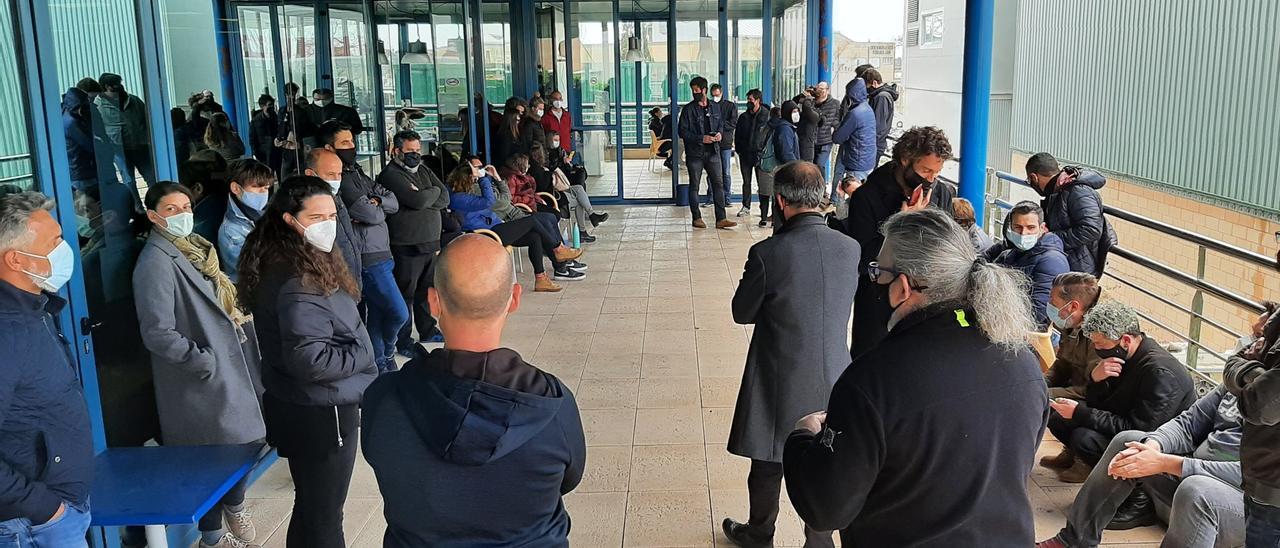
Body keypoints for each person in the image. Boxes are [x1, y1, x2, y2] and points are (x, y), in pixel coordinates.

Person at [782, 208, 1048, 546]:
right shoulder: (1024, 363)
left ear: (903, 287)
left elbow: (825, 509)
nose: (876, 283)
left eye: (879, 273)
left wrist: (802, 439)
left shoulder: (872, 382)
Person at [361, 234, 586, 547]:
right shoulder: (551, 403)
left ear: (434, 301)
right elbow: (568, 479)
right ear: (515, 299)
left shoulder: (382, 398)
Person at [721, 161, 857, 548]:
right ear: (822, 197)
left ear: (780, 201)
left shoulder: (768, 252)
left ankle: (760, 533)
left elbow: (741, 312)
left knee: (768, 458)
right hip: (836, 371)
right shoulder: (850, 249)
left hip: (778, 371)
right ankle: (819, 540)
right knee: (827, 458)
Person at [236, 176, 377, 548]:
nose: (327, 224)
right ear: (289, 220)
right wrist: (364, 351)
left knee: (312, 507)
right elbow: (311, 361)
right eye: (316, 217)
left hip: (299, 405)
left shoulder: (283, 261)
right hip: (321, 413)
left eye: (331, 215)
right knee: (326, 515)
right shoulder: (299, 278)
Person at [133, 182, 264, 548]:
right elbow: (157, 332)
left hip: (228, 363)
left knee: (246, 441)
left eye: (186, 206)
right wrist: (202, 361)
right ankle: (214, 535)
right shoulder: (155, 261)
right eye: (171, 209)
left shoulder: (195, 250)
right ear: (153, 215)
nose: (182, 215)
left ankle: (233, 505)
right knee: (209, 459)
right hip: (199, 378)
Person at [1037, 385, 1246, 548]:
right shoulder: (1239, 377)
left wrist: (1169, 463)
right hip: (1192, 468)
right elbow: (1187, 424)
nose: (1256, 341)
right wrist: (1153, 446)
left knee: (1197, 490)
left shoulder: (1270, 400)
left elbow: (1251, 475)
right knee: (1129, 442)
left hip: (1246, 503)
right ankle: (1074, 540)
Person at [0, 192, 95, 547]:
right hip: (31, 525)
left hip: (57, 511)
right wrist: (45, 508)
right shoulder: (6, 330)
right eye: (54, 242)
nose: (64, 249)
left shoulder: (32, 307)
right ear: (16, 258)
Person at [1044, 301, 1197, 483]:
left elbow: (1139, 429)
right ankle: (1075, 456)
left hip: (1153, 442)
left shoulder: (1159, 372)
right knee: (1058, 417)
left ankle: (1116, 480)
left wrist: (1080, 413)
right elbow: (1099, 403)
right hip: (1125, 423)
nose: (1097, 350)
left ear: (1125, 340)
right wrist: (1095, 380)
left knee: (1084, 438)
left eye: (1100, 344)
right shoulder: (1121, 357)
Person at [843, 126, 956, 359]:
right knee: (872, 361)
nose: (931, 180)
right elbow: (864, 259)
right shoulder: (867, 197)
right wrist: (901, 224)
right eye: (925, 171)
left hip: (923, 295)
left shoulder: (941, 193)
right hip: (878, 298)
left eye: (936, 172)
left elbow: (946, 246)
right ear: (905, 160)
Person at [320, 121, 406, 374]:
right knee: (397, 313)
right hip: (367, 257)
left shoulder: (358, 172)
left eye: (352, 141)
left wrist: (377, 200)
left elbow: (392, 201)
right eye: (344, 143)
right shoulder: (343, 182)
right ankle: (388, 352)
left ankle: (381, 363)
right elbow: (372, 215)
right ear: (329, 148)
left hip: (383, 251)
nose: (352, 147)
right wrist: (377, 205)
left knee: (379, 315)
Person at [447, 162, 583, 292]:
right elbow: (489, 201)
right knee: (533, 221)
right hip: (487, 234)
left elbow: (504, 197)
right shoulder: (458, 198)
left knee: (534, 236)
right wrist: (484, 179)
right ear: (465, 180)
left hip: (496, 227)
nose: (475, 180)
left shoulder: (464, 195)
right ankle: (557, 248)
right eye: (474, 177)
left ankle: (541, 279)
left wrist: (495, 177)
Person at [376, 130, 451, 352]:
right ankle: (403, 340)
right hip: (406, 243)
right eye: (410, 151)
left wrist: (432, 192)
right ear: (397, 151)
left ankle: (428, 329)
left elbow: (445, 196)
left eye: (418, 150)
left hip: (430, 241)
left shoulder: (424, 170)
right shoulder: (391, 174)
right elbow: (417, 201)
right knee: (405, 294)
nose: (415, 155)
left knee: (426, 290)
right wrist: (431, 193)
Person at [1223, 264, 1280, 547]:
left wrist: (1248, 371)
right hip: (1261, 472)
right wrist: (1254, 372)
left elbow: (1259, 405)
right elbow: (1235, 360)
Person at [1027, 152, 1114, 277]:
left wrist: (1049, 237)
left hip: (1078, 270)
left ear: (1034, 177)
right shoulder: (1057, 191)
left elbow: (1091, 229)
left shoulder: (1078, 191)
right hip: (1067, 262)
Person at [990, 201, 1070, 329]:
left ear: (1042, 228)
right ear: (1010, 227)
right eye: (1018, 227)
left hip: (1025, 331)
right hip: (1003, 319)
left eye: (1031, 227)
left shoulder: (1052, 261)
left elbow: (1037, 313)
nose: (1023, 233)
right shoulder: (1013, 252)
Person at [677, 76, 736, 229]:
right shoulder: (688, 109)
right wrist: (700, 138)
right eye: (692, 90)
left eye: (696, 90)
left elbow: (721, 124)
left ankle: (721, 219)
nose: (694, 93)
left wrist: (720, 134)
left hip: (713, 152)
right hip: (695, 154)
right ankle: (696, 217)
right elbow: (682, 131)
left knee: (718, 184)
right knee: (694, 185)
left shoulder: (715, 107)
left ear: (704, 90)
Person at [1044, 272, 1109, 400]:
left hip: (1087, 400)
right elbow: (1061, 366)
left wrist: (1044, 395)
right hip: (1070, 388)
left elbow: (1088, 389)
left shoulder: (1100, 336)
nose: (1049, 303)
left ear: (1073, 306)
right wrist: (1039, 384)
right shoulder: (1067, 320)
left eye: (1053, 301)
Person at [303, 148, 362, 284]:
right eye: (330, 174)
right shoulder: (304, 209)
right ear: (310, 174)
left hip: (351, 280)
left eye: (339, 174)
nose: (336, 180)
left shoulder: (336, 197)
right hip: (331, 285)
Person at [534, 140, 605, 242]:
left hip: (557, 192)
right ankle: (584, 229)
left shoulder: (542, 167)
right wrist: (550, 174)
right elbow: (545, 185)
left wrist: (565, 164)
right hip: (552, 197)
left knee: (579, 188)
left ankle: (590, 217)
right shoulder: (538, 170)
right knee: (580, 200)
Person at [218, 159, 274, 281]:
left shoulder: (264, 212)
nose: (263, 193)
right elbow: (252, 271)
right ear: (236, 188)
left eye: (266, 188)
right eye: (256, 187)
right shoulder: (231, 230)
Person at [96, 73, 155, 187]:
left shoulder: (133, 100)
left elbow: (147, 119)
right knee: (129, 181)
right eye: (115, 85)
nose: (119, 87)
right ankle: (136, 205)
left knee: (151, 177)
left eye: (119, 83)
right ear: (106, 87)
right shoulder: (99, 105)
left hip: (140, 146)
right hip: (119, 150)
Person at [830, 78, 876, 201]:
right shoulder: (867, 108)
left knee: (854, 200)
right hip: (867, 160)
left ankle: (842, 214)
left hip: (856, 162)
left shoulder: (854, 114)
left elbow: (837, 138)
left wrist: (837, 127)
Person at [734, 89, 771, 219]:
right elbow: (737, 135)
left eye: (751, 100)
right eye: (748, 100)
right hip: (745, 155)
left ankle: (764, 210)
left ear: (758, 101)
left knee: (763, 184)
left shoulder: (767, 116)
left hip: (760, 156)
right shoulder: (743, 117)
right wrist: (739, 150)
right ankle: (746, 206)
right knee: (746, 182)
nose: (748, 102)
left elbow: (769, 135)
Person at [277, 82, 318, 177]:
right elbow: (280, 126)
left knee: (301, 172)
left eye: (293, 94)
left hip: (298, 148)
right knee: (285, 174)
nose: (291, 97)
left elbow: (306, 128)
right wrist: (279, 138)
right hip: (286, 148)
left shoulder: (300, 111)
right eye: (289, 94)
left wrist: (298, 139)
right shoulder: (282, 111)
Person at [860, 68, 898, 159]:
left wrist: (867, 144)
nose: (866, 89)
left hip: (874, 145)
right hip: (875, 144)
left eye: (867, 86)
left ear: (874, 83)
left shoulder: (881, 97)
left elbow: (878, 125)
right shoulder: (881, 95)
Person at [710, 83, 738, 201]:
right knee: (712, 171)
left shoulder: (730, 106)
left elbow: (733, 122)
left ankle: (726, 197)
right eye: (713, 95)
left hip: (725, 143)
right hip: (712, 143)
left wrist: (719, 127)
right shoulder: (709, 106)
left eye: (717, 94)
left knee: (726, 171)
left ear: (721, 93)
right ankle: (711, 197)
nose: (715, 97)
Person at [811, 81, 840, 182]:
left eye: (822, 89)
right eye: (818, 89)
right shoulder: (811, 102)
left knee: (820, 164)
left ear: (827, 90)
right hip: (811, 140)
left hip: (826, 140)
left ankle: (822, 188)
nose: (820, 92)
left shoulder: (835, 103)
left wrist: (835, 130)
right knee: (811, 166)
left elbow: (837, 120)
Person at [491, 98, 528, 168]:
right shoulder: (505, 134)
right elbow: (503, 156)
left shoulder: (521, 130)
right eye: (517, 112)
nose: (519, 115)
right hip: (510, 169)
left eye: (522, 113)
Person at [249, 94, 280, 174]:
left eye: (272, 105)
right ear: (262, 106)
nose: (271, 107)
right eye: (269, 105)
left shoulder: (277, 118)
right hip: (265, 155)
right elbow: (253, 139)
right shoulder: (256, 121)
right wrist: (258, 154)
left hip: (278, 152)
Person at [793, 90, 820, 173]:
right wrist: (800, 96)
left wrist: (808, 99)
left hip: (807, 147)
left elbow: (807, 108)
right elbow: (793, 103)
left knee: (806, 171)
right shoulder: (800, 114)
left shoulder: (815, 114)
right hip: (797, 145)